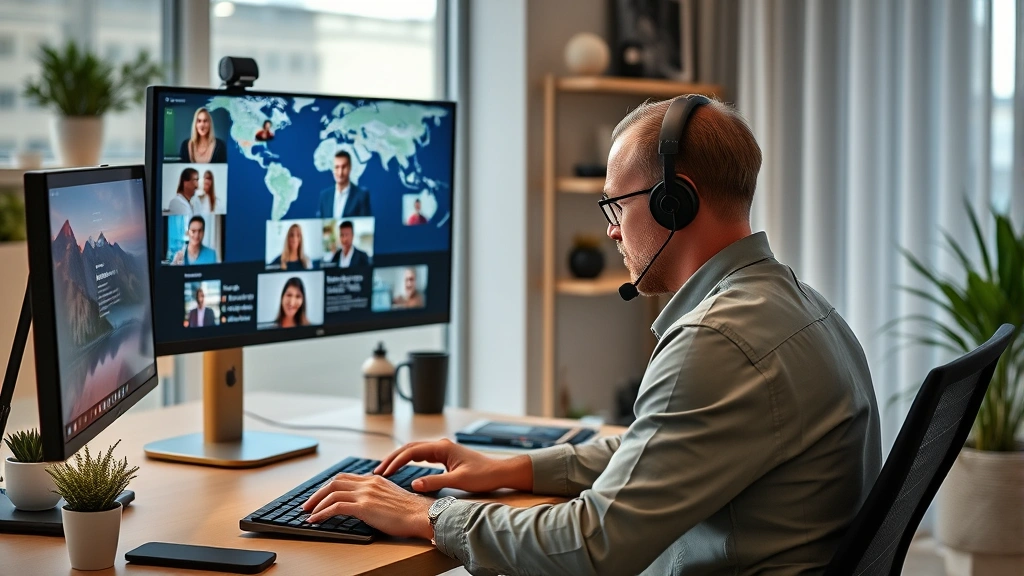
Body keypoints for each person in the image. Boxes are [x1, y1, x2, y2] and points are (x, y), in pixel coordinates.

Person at [300, 97, 882, 575]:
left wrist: (430, 516)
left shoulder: (718, 340)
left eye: (616, 205)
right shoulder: (802, 307)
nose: (609, 230)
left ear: (674, 202)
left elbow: (593, 544)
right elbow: (662, 449)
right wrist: (512, 469)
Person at [317, 150, 372, 218]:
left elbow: (365, 225)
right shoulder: (325, 196)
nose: (340, 173)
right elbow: (321, 225)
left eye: (344, 167)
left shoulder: (361, 196)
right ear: (332, 169)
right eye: (337, 167)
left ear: (350, 168)